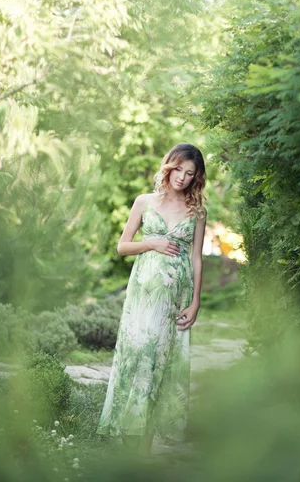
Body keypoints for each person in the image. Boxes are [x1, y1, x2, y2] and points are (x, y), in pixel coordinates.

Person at [96, 142, 207, 457]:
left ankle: (143, 447)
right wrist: (153, 243)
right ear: (169, 166)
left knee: (163, 365)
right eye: (179, 169)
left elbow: (197, 258)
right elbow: (122, 246)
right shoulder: (144, 201)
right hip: (144, 296)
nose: (182, 178)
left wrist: (196, 301)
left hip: (176, 296)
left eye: (190, 174)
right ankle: (134, 443)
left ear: (196, 177)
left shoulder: (197, 210)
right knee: (140, 359)